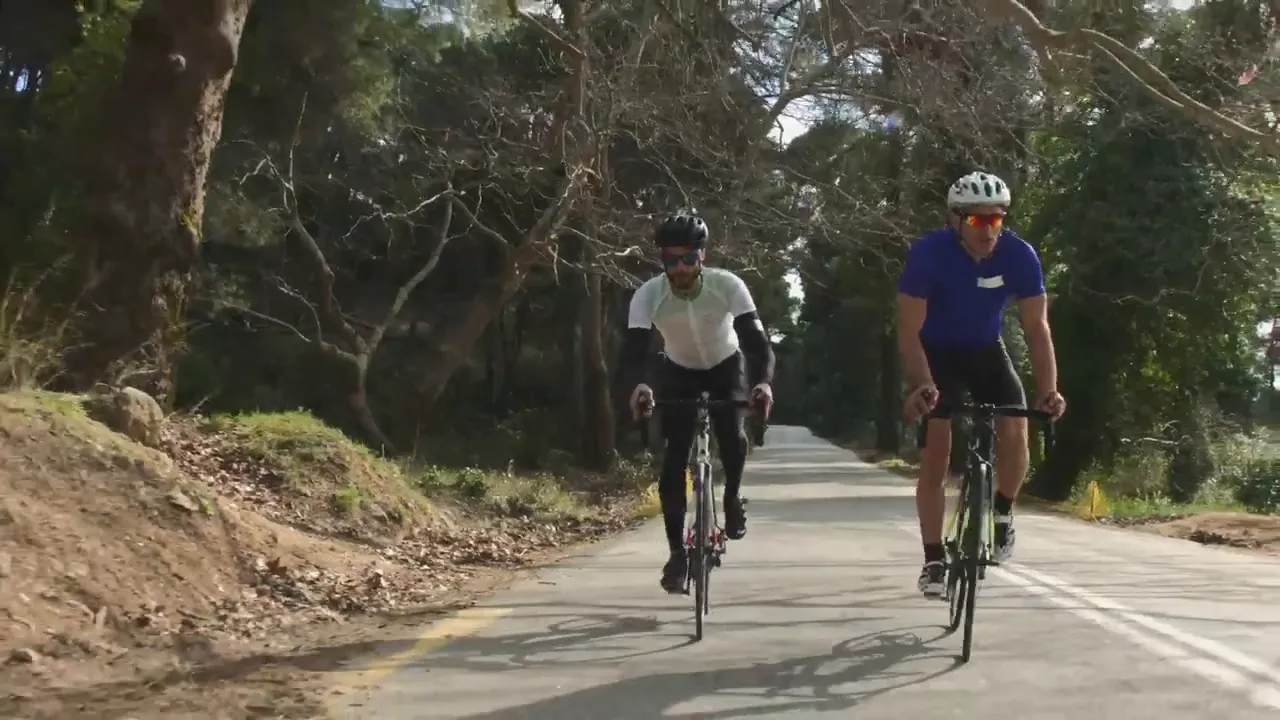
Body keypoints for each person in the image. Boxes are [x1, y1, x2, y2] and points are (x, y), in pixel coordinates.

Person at [896, 171, 1066, 598]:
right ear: (956, 221)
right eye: (978, 222)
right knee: (938, 446)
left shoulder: (1019, 255)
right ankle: (934, 559)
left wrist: (1049, 389)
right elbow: (908, 329)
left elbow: (1036, 327)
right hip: (936, 354)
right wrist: (921, 383)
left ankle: (1003, 511)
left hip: (986, 352)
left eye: (997, 220)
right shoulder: (928, 254)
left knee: (1015, 426)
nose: (989, 231)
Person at [618, 212, 776, 594]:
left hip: (727, 365)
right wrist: (640, 386)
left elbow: (757, 344)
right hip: (679, 371)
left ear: (702, 256)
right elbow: (635, 353)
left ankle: (733, 495)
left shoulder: (728, 285)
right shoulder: (648, 295)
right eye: (671, 260)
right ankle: (676, 555)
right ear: (663, 261)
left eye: (688, 258)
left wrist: (763, 385)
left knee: (732, 431)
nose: (681, 268)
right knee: (674, 461)